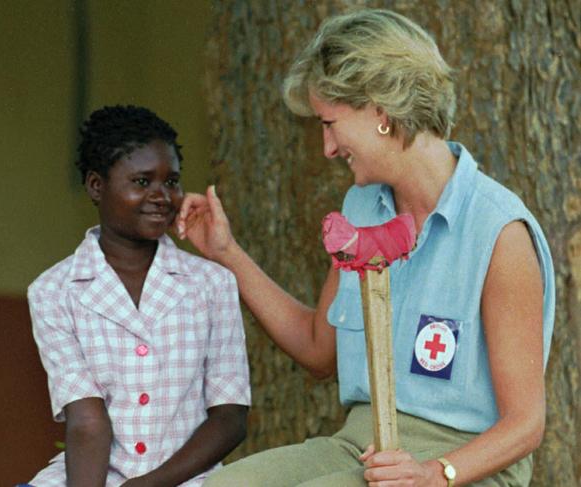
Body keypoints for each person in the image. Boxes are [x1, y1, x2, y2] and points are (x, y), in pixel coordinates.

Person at [177, 8, 555, 487]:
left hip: (465, 463)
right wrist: (227, 252)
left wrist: (434, 473)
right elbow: (318, 350)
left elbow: (526, 425)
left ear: (381, 111)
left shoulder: (498, 232)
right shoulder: (362, 207)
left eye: (330, 123)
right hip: (361, 443)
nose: (327, 148)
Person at [26, 105, 250, 487]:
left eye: (172, 182)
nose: (162, 196)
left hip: (188, 479)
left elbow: (230, 417)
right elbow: (87, 421)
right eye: (143, 182)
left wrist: (149, 485)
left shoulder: (212, 285)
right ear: (97, 186)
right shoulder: (54, 291)